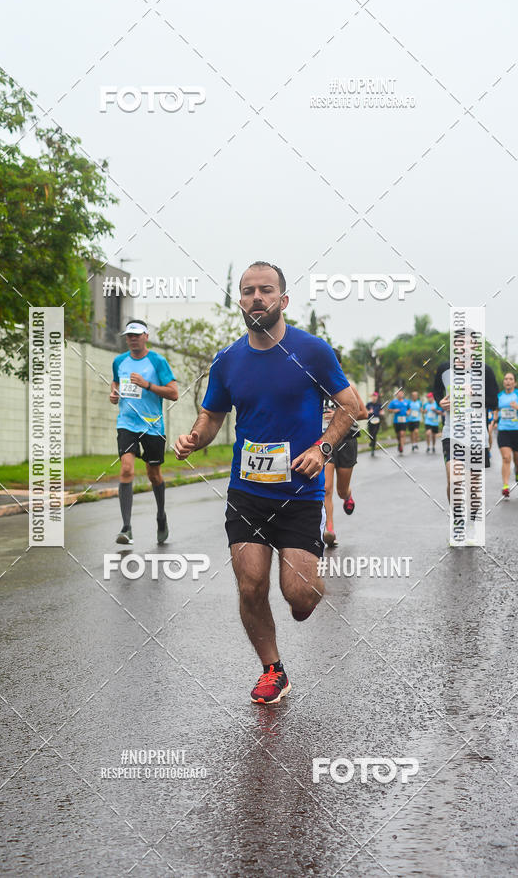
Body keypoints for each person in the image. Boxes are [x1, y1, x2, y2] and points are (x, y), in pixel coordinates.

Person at [174, 261, 360, 705]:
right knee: (251, 585)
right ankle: (272, 669)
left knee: (299, 595)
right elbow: (213, 415)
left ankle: (308, 592)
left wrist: (323, 449)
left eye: (266, 290)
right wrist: (196, 438)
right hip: (247, 493)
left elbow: (353, 407)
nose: (257, 297)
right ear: (239, 301)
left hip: (298, 493)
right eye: (248, 291)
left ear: (283, 300)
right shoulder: (227, 360)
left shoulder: (312, 351)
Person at [110, 319, 178, 545]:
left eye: (137, 335)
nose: (132, 339)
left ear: (146, 336)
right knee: (126, 468)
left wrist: (147, 385)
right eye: (129, 335)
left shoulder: (158, 361)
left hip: (152, 425)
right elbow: (116, 385)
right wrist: (114, 394)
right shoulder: (119, 361)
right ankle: (126, 528)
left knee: (153, 474)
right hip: (127, 423)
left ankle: (161, 516)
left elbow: (173, 393)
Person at [433, 356, 499, 503]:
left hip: (476, 434)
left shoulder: (485, 370)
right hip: (452, 432)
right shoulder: (444, 368)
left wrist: (474, 395)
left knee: (474, 485)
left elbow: (494, 401)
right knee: (454, 480)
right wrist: (440, 402)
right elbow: (437, 390)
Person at [322, 350, 368, 548]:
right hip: (324, 442)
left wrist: (338, 417)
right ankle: (329, 529)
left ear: (338, 366)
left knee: (340, 490)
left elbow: (364, 413)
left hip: (347, 440)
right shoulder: (316, 387)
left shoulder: (347, 387)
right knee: (326, 488)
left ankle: (347, 496)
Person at [493, 373, 518, 498]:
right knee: (506, 458)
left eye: (510, 379)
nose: (508, 381)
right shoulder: (499, 396)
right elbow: (496, 410)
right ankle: (505, 486)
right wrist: (494, 419)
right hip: (503, 431)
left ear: (514, 383)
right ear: (503, 382)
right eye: (506, 379)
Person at [387, 389, 410, 454]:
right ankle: (399, 443)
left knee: (402, 433)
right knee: (398, 435)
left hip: (404, 420)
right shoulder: (393, 402)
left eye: (401, 394)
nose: (400, 395)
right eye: (398, 394)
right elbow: (389, 409)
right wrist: (394, 410)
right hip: (396, 421)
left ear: (403, 394)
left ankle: (401, 447)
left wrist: (408, 412)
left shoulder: (406, 402)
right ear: (397, 395)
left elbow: (409, 408)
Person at [365, 391, 384, 456]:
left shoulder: (379, 405)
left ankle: (373, 449)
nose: (374, 398)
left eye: (375, 396)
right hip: (370, 421)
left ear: (377, 397)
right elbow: (365, 411)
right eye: (373, 396)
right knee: (370, 434)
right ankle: (372, 442)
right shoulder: (369, 404)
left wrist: (381, 413)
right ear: (372, 397)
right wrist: (369, 412)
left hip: (377, 421)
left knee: (374, 434)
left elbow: (382, 412)